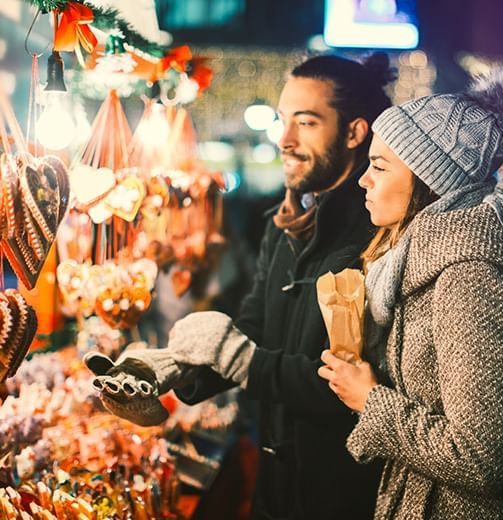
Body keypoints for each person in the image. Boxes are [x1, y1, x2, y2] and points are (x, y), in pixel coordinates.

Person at [84, 53, 395, 519]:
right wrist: (179, 368)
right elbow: (253, 324)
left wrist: (243, 361)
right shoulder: (284, 224)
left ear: (354, 132)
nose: (285, 140)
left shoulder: (379, 237)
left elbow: (359, 388)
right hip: (273, 488)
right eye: (282, 120)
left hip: (341, 496)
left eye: (306, 123)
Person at [317, 71, 503, 519]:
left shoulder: (471, 278)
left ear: (430, 181)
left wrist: (370, 400)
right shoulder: (418, 262)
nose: (363, 181)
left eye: (380, 166)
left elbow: (484, 460)